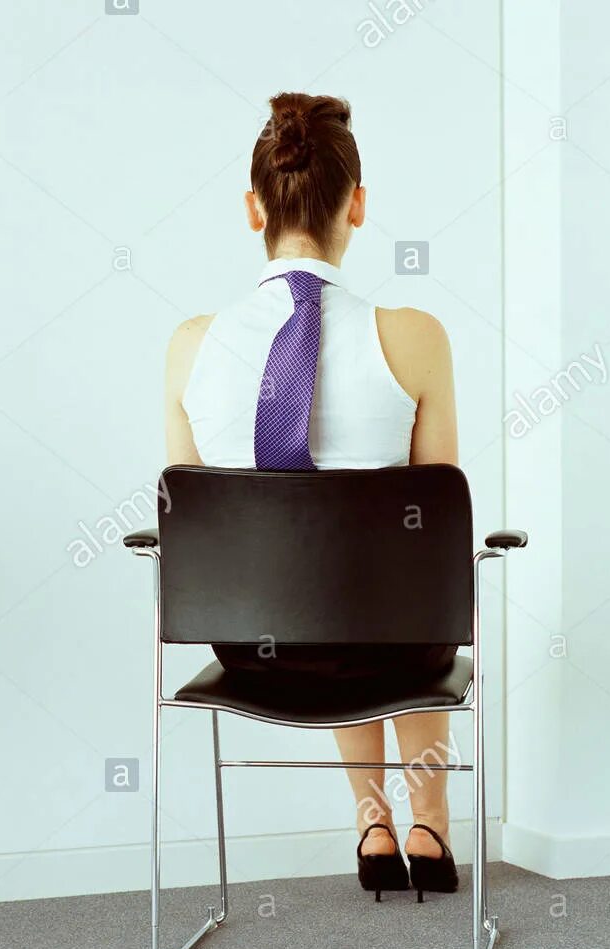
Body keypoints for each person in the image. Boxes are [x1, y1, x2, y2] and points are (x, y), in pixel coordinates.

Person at [162, 92, 460, 899]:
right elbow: (432, 533)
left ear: (253, 206)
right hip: (393, 647)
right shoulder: (416, 338)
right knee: (392, 597)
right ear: (357, 206)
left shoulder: (191, 347)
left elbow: (196, 525)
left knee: (325, 591)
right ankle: (426, 821)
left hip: (253, 652)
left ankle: (371, 821)